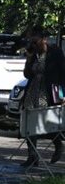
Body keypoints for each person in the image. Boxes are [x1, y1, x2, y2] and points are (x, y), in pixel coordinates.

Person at [19, 29, 65, 166]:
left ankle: (58, 145)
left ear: (44, 39)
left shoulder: (55, 52)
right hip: (33, 90)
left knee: (46, 121)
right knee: (28, 121)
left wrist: (63, 94)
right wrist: (28, 58)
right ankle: (32, 156)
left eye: (35, 40)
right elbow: (27, 75)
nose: (33, 44)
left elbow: (63, 74)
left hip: (49, 90)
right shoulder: (34, 54)